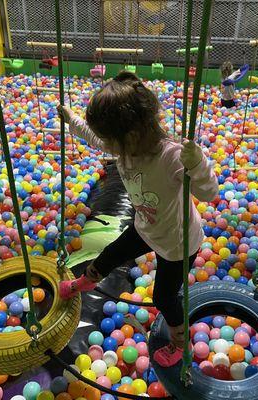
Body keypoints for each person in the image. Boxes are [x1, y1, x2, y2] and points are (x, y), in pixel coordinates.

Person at [57, 71, 218, 368]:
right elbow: (94, 137)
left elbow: (208, 193)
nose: (107, 147)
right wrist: (71, 120)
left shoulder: (170, 156)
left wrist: (199, 165)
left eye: (111, 141)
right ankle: (86, 282)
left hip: (177, 243)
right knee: (108, 256)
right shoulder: (125, 148)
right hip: (145, 228)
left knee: (164, 298)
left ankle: (181, 344)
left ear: (130, 136)